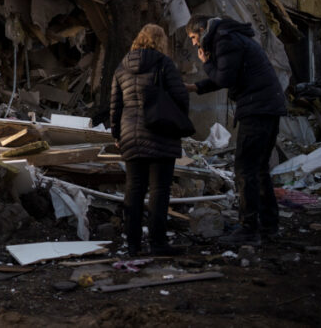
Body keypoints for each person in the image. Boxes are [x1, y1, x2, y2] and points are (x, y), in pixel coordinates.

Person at [184, 15, 287, 246]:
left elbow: (225, 77)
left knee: (245, 169)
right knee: (259, 169)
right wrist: (195, 87)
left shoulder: (224, 40)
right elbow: (226, 76)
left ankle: (249, 229)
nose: (194, 44)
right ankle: (269, 226)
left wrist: (206, 63)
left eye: (193, 37)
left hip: (258, 108)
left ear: (202, 30)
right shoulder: (230, 37)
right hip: (268, 106)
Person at [110, 23, 190, 256]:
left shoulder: (121, 67)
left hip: (131, 135)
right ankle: (157, 242)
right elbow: (181, 96)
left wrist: (117, 134)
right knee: (159, 190)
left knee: (134, 189)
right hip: (161, 134)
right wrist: (178, 120)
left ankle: (133, 245)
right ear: (160, 42)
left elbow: (115, 105)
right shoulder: (164, 64)